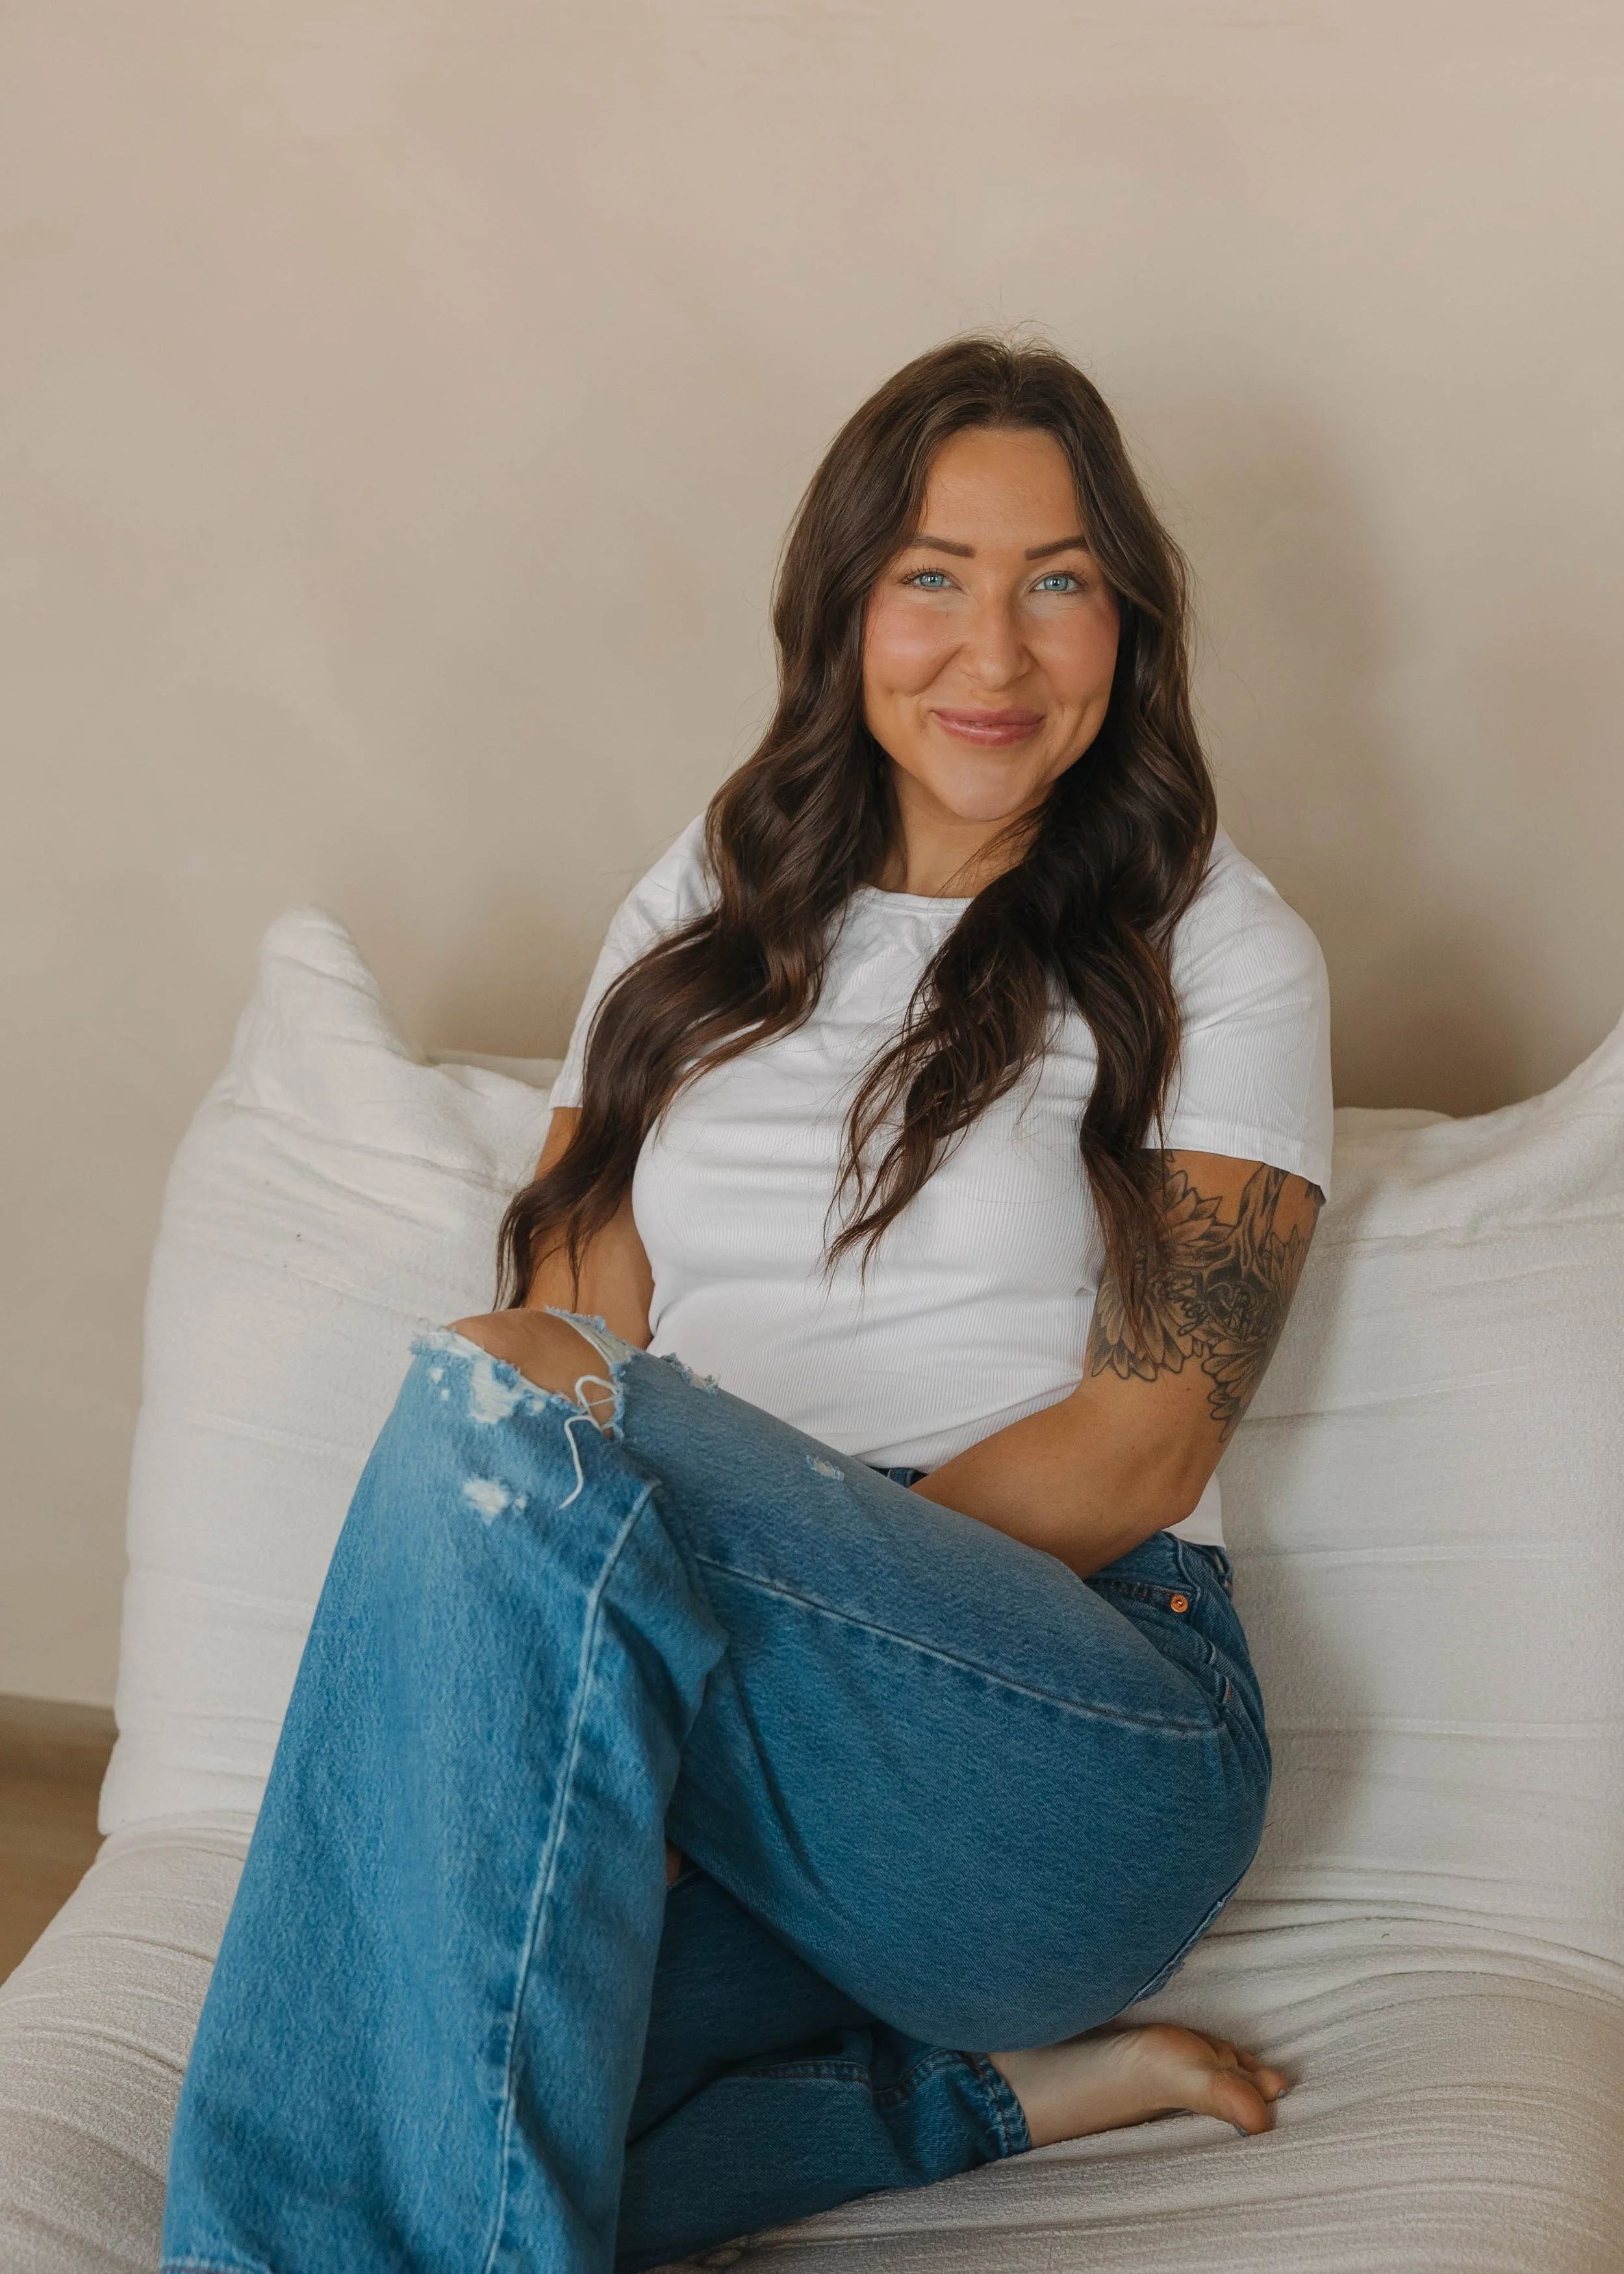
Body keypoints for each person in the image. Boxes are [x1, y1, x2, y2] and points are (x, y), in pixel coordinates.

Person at [160, 336, 1331, 2274]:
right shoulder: (711, 894)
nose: (994, 650)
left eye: (1056, 580)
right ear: (842, 607)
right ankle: (995, 2098)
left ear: (1124, 622)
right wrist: (639, 1659)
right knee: (395, 2084)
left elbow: (1145, 1436)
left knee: (505, 1421)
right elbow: (563, 1316)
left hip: (1066, 1749)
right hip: (727, 1715)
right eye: (931, 577)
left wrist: (690, 1647)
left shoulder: (1216, 938)